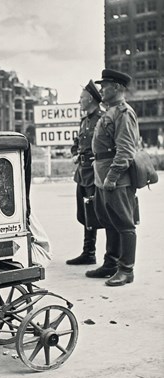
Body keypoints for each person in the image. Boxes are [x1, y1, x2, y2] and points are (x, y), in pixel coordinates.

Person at [85, 69, 140, 286]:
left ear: (116, 87)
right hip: (103, 176)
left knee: (124, 224)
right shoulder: (110, 111)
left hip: (116, 179)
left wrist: (112, 177)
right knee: (109, 221)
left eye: (104, 85)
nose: (101, 90)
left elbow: (126, 150)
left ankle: (126, 270)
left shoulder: (123, 113)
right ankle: (111, 264)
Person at [66, 80, 104, 265]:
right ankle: (88, 252)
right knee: (84, 214)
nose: (79, 101)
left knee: (96, 213)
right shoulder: (84, 121)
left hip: (95, 174)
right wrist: (75, 154)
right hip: (82, 174)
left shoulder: (102, 119)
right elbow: (77, 144)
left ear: (90, 99)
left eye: (81, 98)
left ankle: (94, 253)